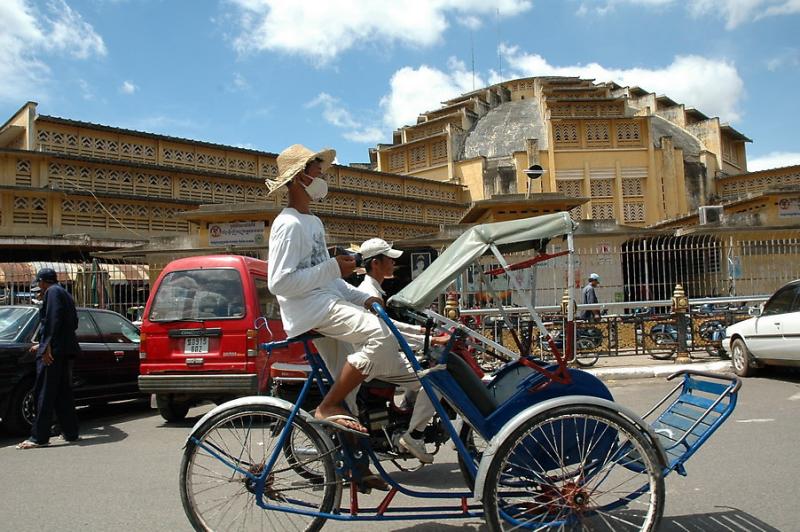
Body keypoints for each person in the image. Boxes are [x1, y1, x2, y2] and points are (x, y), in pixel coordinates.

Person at [266, 144, 405, 438]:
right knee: (380, 336)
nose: (321, 176)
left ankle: (356, 462)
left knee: (351, 387)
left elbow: (327, 277)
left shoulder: (313, 222)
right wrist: (332, 267)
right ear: (300, 178)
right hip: (308, 310)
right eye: (317, 171)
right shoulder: (288, 224)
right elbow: (279, 282)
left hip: (325, 301)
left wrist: (361, 297)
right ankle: (327, 407)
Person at [358, 238, 447, 464]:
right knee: (437, 379)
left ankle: (408, 412)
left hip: (382, 356)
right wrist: (428, 339)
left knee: (425, 366)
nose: (393, 264)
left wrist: (422, 331)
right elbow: (389, 332)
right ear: (376, 263)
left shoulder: (373, 289)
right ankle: (414, 435)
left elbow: (390, 326)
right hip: (379, 360)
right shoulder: (369, 293)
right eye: (389, 259)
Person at [17, 268, 80, 449]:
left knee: (43, 394)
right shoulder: (64, 294)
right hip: (64, 351)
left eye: (39, 283)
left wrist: (46, 347)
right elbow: (73, 323)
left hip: (53, 353)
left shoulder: (52, 292)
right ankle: (70, 432)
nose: (39, 287)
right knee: (63, 395)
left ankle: (39, 437)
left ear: (43, 281)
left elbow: (53, 320)